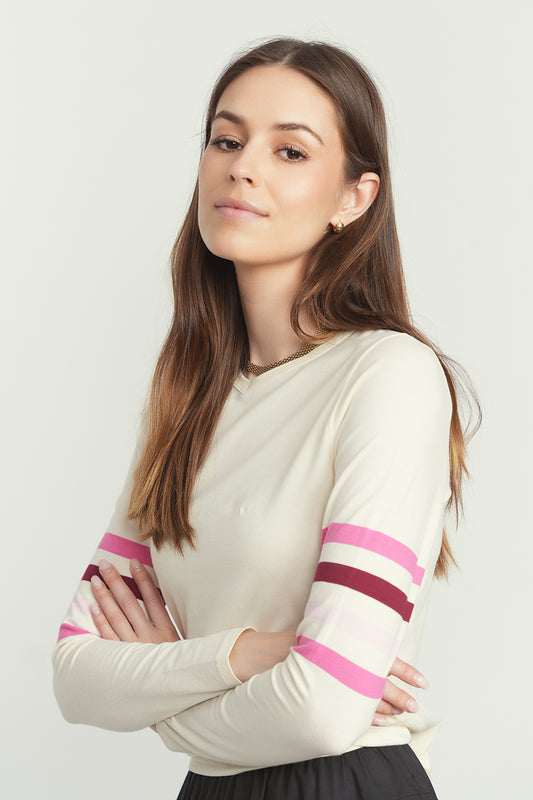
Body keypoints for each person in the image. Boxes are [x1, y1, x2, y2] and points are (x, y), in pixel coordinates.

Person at [52, 36, 481, 800]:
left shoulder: (388, 375)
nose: (242, 166)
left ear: (353, 198)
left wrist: (167, 705)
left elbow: (322, 712)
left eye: (289, 151)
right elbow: (77, 678)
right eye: (226, 139)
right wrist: (250, 652)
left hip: (342, 783)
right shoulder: (186, 398)